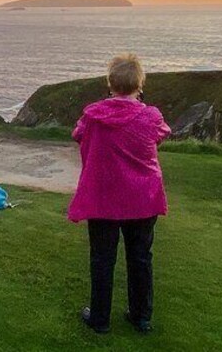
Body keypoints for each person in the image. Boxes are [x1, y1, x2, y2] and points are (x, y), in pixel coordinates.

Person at [68, 53, 171, 334]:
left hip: (104, 196)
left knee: (102, 258)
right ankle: (141, 317)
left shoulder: (93, 115)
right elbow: (162, 133)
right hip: (142, 197)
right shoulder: (151, 116)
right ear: (140, 84)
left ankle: (99, 319)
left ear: (110, 83)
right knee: (140, 257)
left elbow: (77, 134)